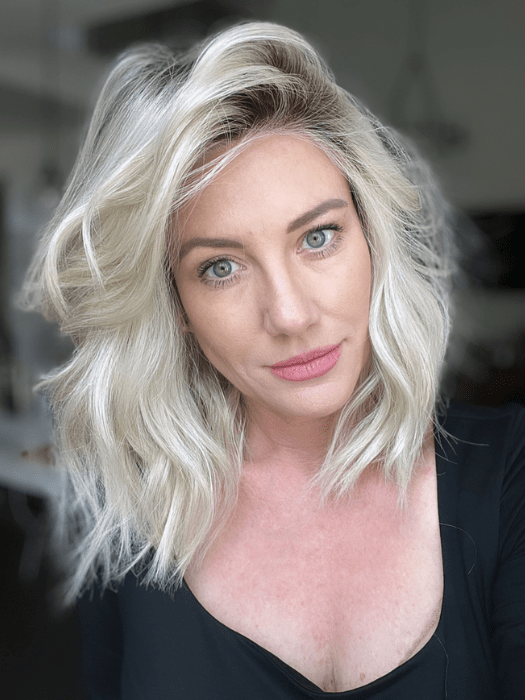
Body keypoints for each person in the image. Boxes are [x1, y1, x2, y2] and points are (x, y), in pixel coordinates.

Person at [23, 21, 525, 699]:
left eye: (317, 237)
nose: (289, 314)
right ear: (175, 303)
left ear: (372, 239)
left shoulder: (509, 473)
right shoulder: (126, 513)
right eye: (221, 267)